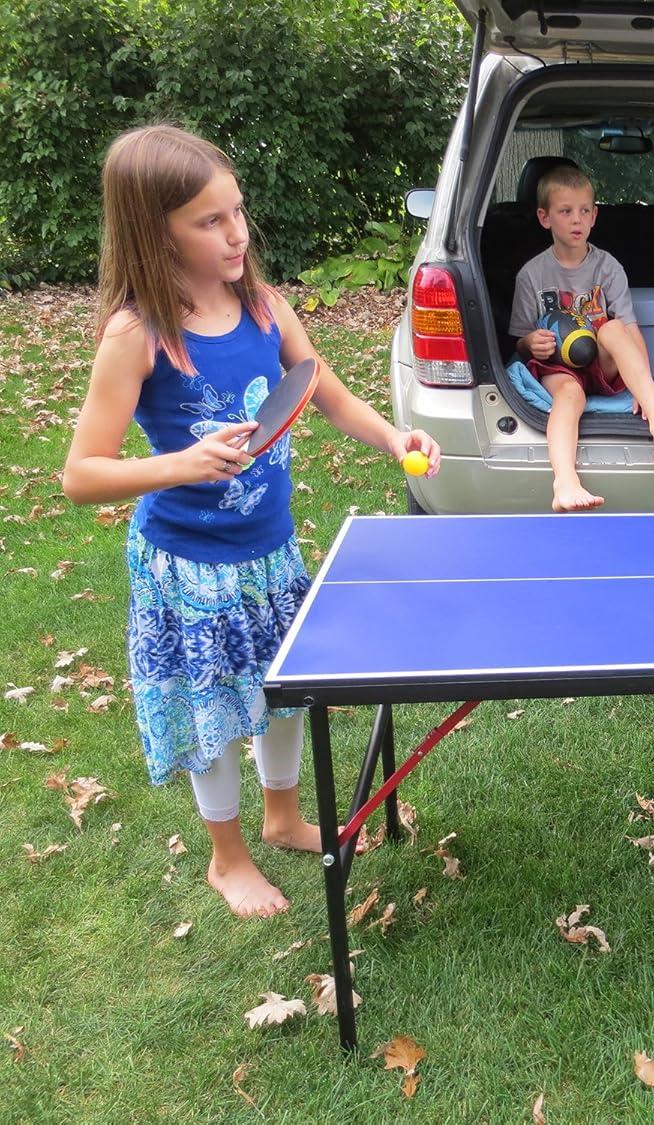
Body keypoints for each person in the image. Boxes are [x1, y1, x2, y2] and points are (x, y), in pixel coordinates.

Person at [61, 124, 441, 918]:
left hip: (268, 551)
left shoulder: (263, 306)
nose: (236, 233)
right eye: (209, 220)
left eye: (237, 212)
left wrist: (393, 435)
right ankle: (226, 856)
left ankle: (283, 816)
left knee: (284, 691)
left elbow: (321, 389)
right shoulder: (138, 334)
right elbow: (81, 474)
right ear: (152, 229)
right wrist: (182, 462)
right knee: (214, 709)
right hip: (189, 567)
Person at [508, 165, 654, 511]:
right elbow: (518, 339)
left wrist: (642, 385)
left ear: (595, 216)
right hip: (559, 367)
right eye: (566, 211)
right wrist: (531, 344)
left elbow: (630, 328)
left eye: (585, 211)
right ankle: (565, 481)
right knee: (569, 396)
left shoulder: (608, 267)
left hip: (601, 365)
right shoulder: (532, 274)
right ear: (545, 218)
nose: (577, 219)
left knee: (613, 328)